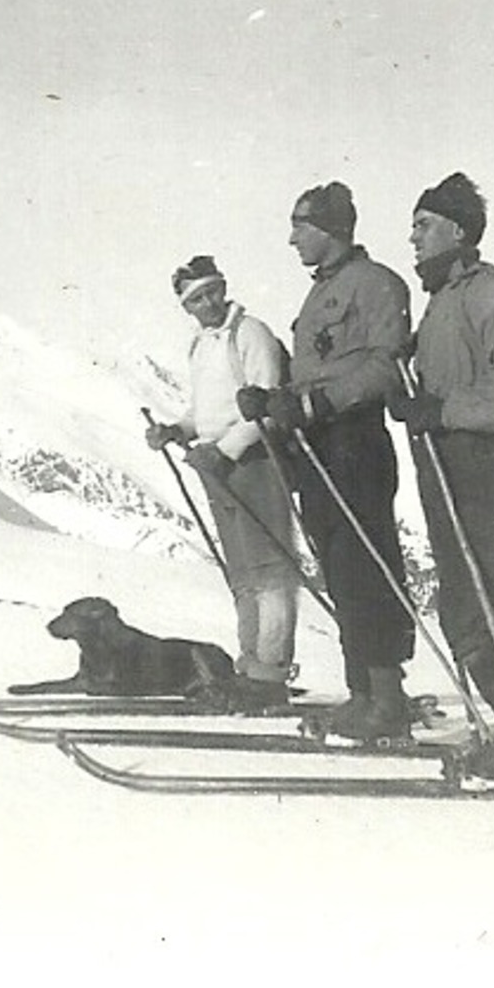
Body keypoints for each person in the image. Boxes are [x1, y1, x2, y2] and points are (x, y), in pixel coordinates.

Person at [236, 182, 415, 740]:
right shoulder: (321, 294)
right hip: (316, 444)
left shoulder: (377, 285)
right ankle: (362, 693)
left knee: (365, 565)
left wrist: (315, 401)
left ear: (333, 230)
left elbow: (387, 366)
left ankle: (387, 698)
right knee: (339, 568)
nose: (292, 239)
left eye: (302, 226)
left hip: (354, 440)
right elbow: (315, 369)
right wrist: (273, 400)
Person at [387, 170, 494, 741]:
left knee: (472, 599)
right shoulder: (445, 301)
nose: (414, 238)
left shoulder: (491, 294)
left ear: (457, 230)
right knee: (469, 596)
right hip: (444, 461)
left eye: (424, 226)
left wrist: (441, 410)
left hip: (474, 463)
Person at [145, 255, 301, 710]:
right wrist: (178, 431)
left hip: (255, 459)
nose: (208, 302)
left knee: (269, 571)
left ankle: (270, 674)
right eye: (197, 298)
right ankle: (249, 668)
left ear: (224, 288)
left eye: (213, 292)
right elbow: (206, 411)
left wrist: (223, 449)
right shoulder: (200, 345)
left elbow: (266, 403)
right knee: (244, 574)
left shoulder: (248, 333)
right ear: (187, 307)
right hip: (218, 466)